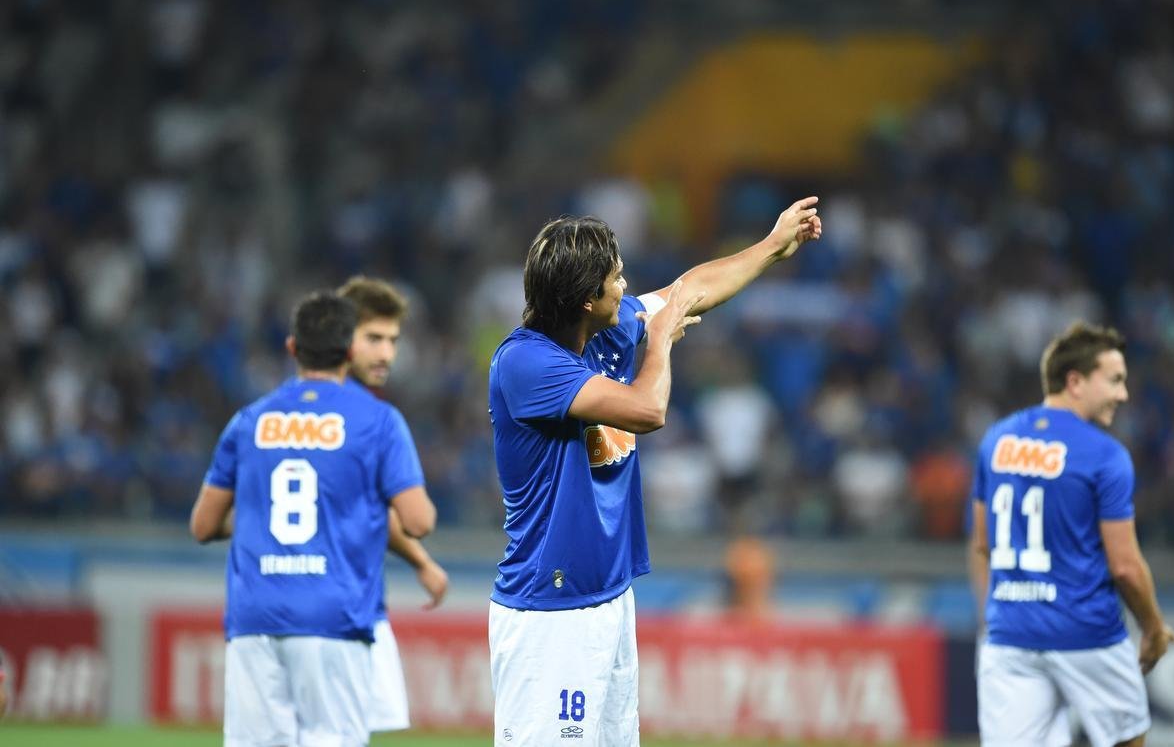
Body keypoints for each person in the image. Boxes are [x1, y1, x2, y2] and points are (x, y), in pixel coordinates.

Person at [488, 197, 821, 746]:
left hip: (609, 596)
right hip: (552, 611)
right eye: (616, 278)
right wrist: (660, 343)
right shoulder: (528, 364)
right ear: (587, 298)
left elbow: (689, 289)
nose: (626, 287)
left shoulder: (606, 330)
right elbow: (648, 410)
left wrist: (772, 247)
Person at [190, 291, 437, 747]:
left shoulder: (248, 420)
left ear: (291, 348)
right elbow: (419, 520)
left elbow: (203, 525)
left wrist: (258, 519)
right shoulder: (379, 422)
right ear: (349, 352)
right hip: (333, 618)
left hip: (254, 617)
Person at [968, 322, 1174, 747]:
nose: (1123, 395)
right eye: (1115, 380)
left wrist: (992, 619)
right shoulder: (1105, 455)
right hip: (1088, 634)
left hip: (1010, 635)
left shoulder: (996, 440)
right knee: (1128, 740)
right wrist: (1153, 628)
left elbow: (981, 545)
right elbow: (1124, 567)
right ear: (1076, 381)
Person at [336, 275, 449, 735]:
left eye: (393, 341)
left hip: (286, 606)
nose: (387, 354)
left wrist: (419, 561)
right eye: (374, 339)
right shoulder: (373, 420)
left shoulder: (283, 411)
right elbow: (416, 517)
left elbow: (364, 507)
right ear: (342, 337)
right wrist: (420, 548)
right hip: (345, 612)